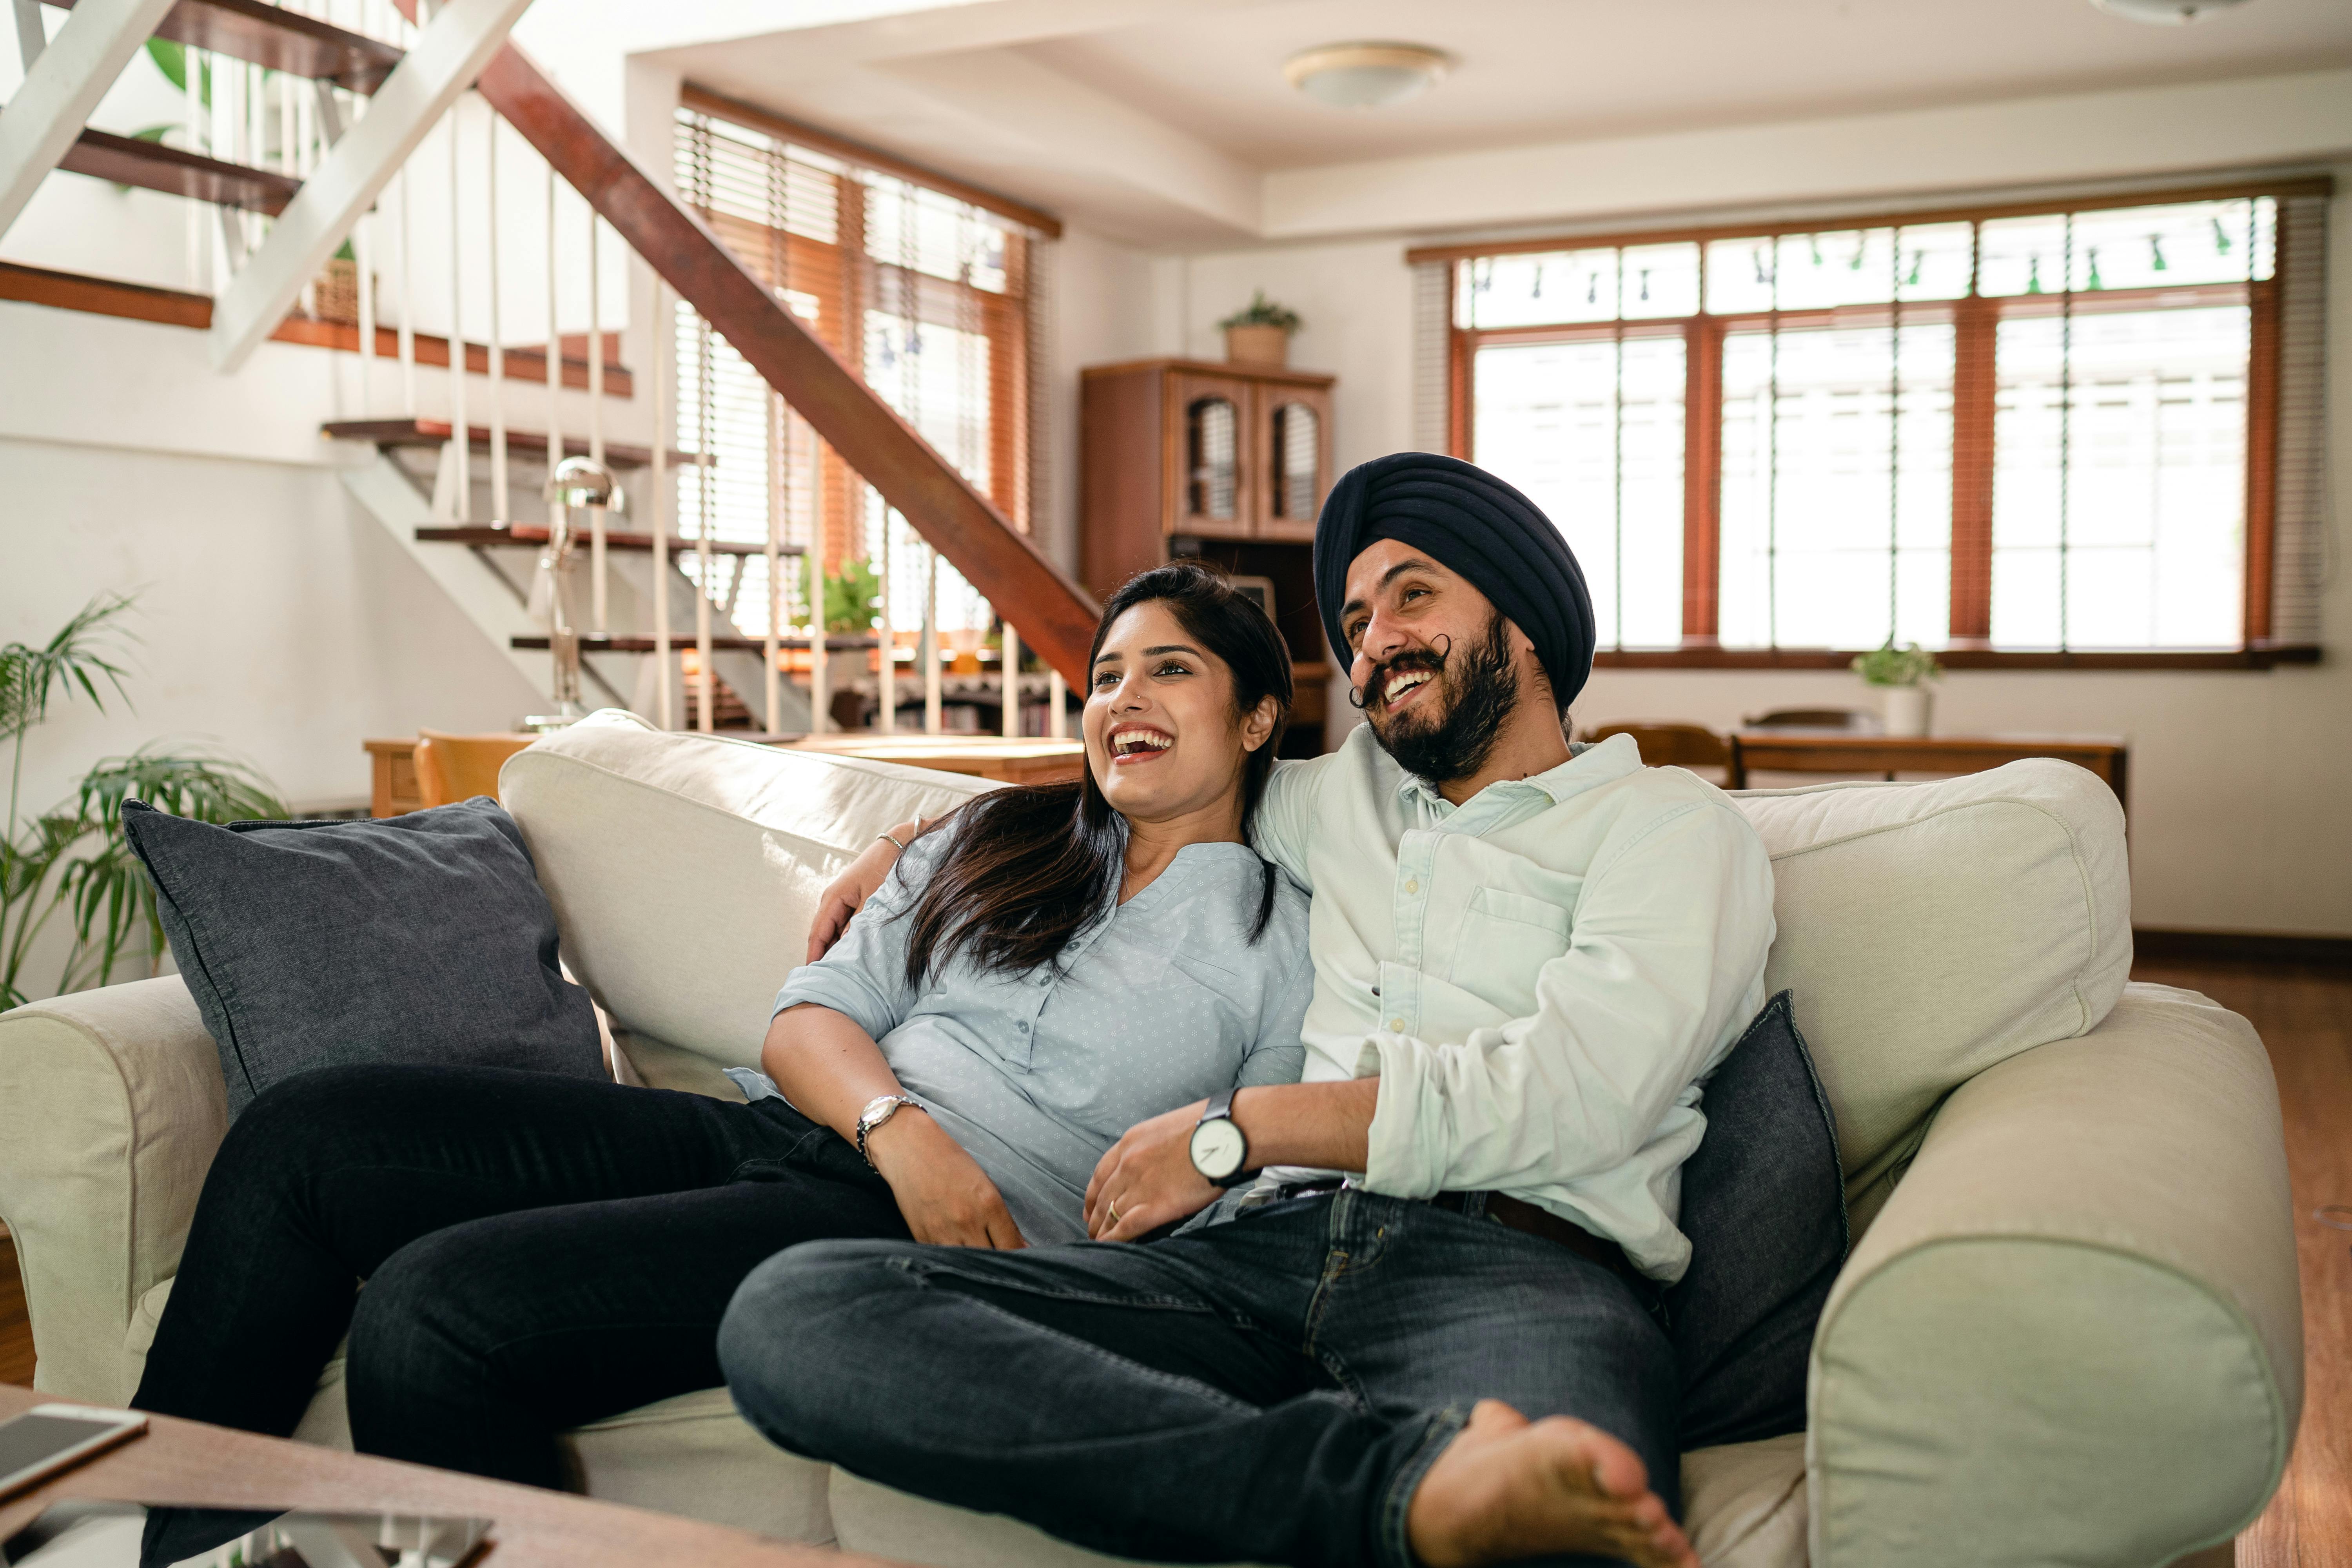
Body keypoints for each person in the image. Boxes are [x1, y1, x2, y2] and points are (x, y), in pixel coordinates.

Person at [723, 453, 1776, 1568]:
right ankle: (1391, 1497)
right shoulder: (1344, 797)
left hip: (1515, 1274)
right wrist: (916, 836)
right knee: (803, 1309)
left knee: (1574, 1521)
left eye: (1413, 595)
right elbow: (1153, 758)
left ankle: (1400, 1493)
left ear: (1526, 619)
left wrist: (1238, 1131)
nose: (1374, 638)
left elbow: (1578, 1095)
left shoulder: (1668, 828)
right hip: (1252, 1257)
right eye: (1358, 619)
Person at [127, 561, 1312, 1505]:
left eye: (1171, 670)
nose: (1124, 700)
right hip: (790, 1134)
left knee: (439, 1309)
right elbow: (811, 1022)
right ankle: (164, 1537)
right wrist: (903, 1131)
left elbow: (1262, 1190)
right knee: (311, 1134)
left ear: (1258, 718)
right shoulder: (996, 839)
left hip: (909, 1239)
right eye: (1105, 676)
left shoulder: (1289, 941)